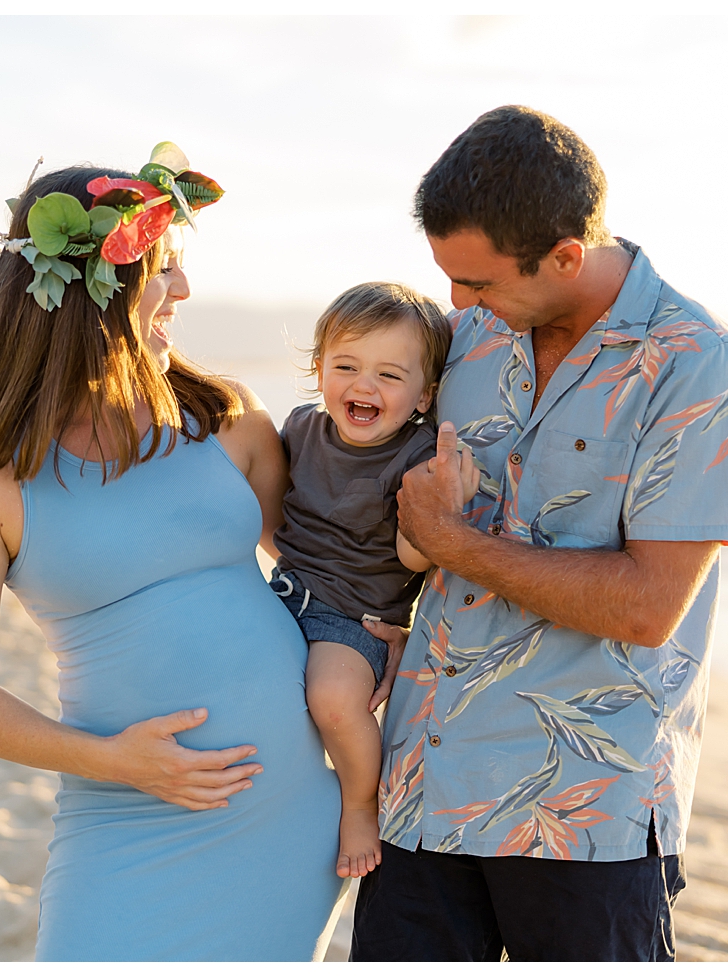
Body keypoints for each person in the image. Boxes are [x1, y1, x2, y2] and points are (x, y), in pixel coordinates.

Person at [0, 147, 343, 961]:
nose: (182, 290)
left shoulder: (223, 419)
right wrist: (113, 760)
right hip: (125, 817)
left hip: (286, 824)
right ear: (90, 291)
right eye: (163, 269)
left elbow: (323, 572)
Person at [351, 106, 728, 962]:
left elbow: (650, 605)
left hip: (585, 815)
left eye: (481, 283)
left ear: (568, 255)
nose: (459, 303)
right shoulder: (462, 341)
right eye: (450, 279)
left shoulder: (694, 363)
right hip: (423, 789)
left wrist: (457, 542)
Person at [266, 282, 477, 880]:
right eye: (347, 366)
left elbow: (413, 560)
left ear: (423, 395)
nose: (363, 386)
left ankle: (359, 803)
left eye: (389, 375)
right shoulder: (302, 428)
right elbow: (276, 517)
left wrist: (445, 508)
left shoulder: (413, 457)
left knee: (333, 701)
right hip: (281, 591)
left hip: (352, 620)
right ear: (319, 369)